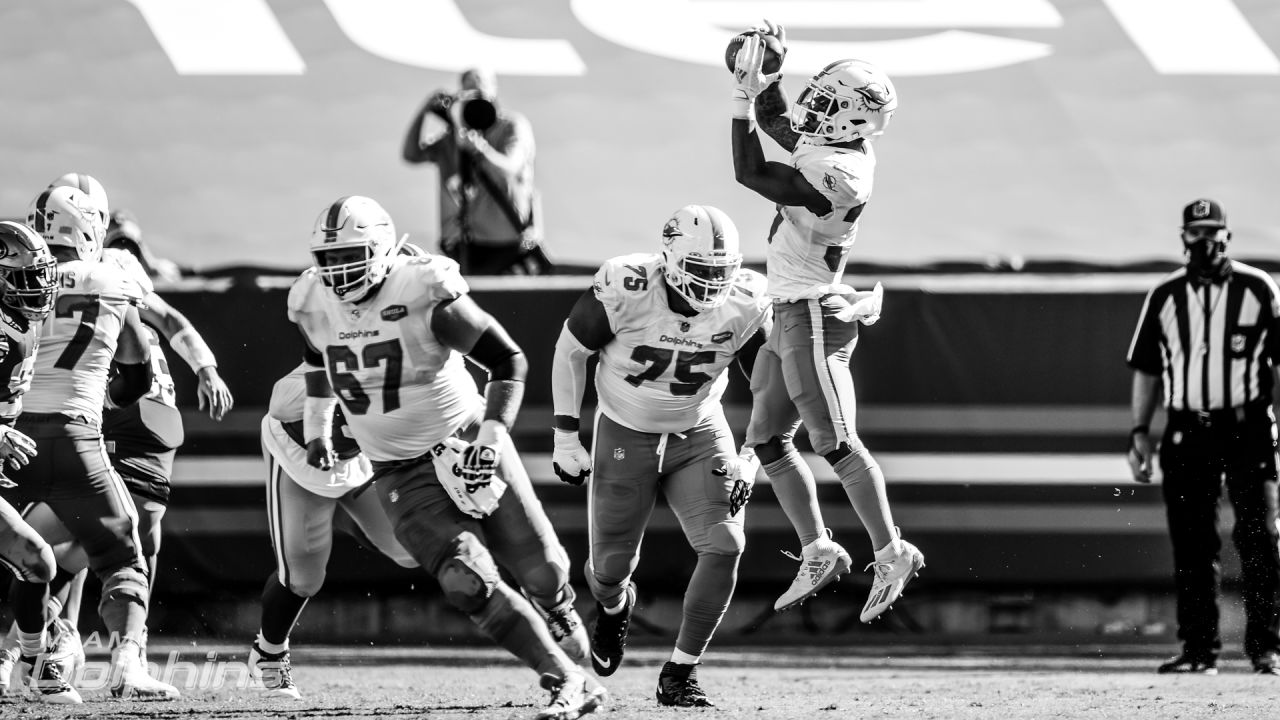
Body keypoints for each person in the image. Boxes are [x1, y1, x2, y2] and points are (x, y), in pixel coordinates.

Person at [288, 196, 603, 719]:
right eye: (329, 259)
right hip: (396, 468)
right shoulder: (311, 301)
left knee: (543, 569)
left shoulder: (422, 289)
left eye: (352, 256)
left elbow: (507, 359)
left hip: (465, 440)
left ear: (384, 249)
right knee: (465, 579)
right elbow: (316, 358)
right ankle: (566, 679)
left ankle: (558, 607)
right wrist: (318, 424)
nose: (338, 272)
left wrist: (493, 434)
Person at [0, 176, 235, 684]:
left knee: (22, 554)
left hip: (9, 438)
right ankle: (127, 662)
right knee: (125, 551)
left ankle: (22, 656)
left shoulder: (8, 274)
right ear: (91, 229)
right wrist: (117, 397)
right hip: (77, 436)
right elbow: (138, 366)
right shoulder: (112, 279)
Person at [729, 24, 925, 619]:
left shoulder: (843, 173)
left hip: (814, 314)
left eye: (826, 100)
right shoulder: (834, 146)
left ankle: (892, 549)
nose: (813, 105)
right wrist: (768, 77)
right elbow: (779, 124)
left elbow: (752, 171)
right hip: (790, 308)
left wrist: (739, 98)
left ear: (851, 118)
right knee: (764, 437)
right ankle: (819, 548)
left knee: (835, 441)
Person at [550, 205, 769, 706]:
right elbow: (571, 352)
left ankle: (681, 673)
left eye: (721, 271)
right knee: (608, 569)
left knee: (726, 544)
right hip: (626, 433)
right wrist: (567, 436)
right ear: (669, 260)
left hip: (700, 432)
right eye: (700, 270)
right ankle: (612, 607)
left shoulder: (746, 300)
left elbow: (772, 386)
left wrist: (753, 453)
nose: (712, 284)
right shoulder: (627, 286)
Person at [1126, 198, 1280, 676]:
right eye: (1196, 233)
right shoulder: (1166, 295)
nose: (1205, 242)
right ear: (1183, 238)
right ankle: (1198, 649)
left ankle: (1266, 648)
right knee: (1193, 543)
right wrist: (1139, 432)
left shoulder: (1258, 288)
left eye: (1213, 232)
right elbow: (1147, 370)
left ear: (1227, 237)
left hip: (1248, 425)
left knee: (1260, 539)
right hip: (1187, 429)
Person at [248, 361, 418, 700]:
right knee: (302, 576)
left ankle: (337, 516)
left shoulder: (419, 353)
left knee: (413, 547)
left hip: (358, 458)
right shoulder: (336, 343)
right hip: (299, 454)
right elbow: (281, 404)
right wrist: (322, 419)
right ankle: (268, 652)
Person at [0, 220, 78, 703]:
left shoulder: (20, 324)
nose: (39, 289)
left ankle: (33, 665)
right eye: (25, 279)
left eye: (41, 276)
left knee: (38, 561)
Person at [402, 67, 548, 275]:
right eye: (470, 92)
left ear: (494, 90)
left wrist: (480, 150)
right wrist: (426, 110)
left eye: (481, 90)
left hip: (508, 245)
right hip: (464, 245)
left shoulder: (511, 126)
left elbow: (510, 169)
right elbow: (411, 154)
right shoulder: (454, 135)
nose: (477, 98)